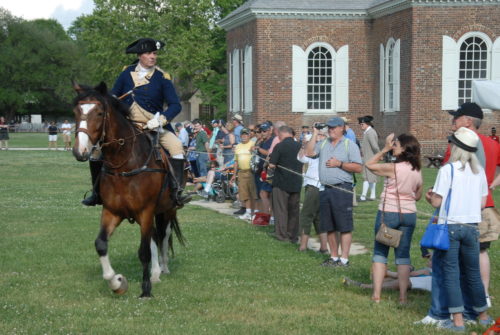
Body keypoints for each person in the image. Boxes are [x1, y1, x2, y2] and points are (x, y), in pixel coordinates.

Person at [82, 38, 190, 207]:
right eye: (148, 53)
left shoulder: (163, 77)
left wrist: (161, 119)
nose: (153, 56)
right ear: (140, 55)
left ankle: (176, 193)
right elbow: (113, 96)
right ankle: (97, 193)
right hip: (128, 125)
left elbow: (175, 105)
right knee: (96, 151)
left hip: (153, 126)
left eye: (154, 53)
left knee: (176, 146)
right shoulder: (126, 73)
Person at [424, 127, 491, 331]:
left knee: (451, 273)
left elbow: (437, 202)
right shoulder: (479, 172)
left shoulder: (448, 170)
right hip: (471, 226)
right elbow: (481, 203)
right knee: (472, 273)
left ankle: (458, 321)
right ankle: (483, 315)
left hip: (451, 226)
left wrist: (429, 197)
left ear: (456, 147)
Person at [442, 102, 500, 309]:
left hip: (461, 209)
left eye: (456, 118)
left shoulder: (457, 145)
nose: (453, 122)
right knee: (481, 251)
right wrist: (493, 182)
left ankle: (462, 296)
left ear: (467, 122)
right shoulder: (493, 143)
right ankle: (483, 295)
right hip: (486, 205)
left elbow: (448, 174)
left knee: (457, 254)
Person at [365, 133, 423, 304]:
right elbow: (418, 195)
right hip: (409, 214)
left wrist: (384, 149)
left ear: (404, 148)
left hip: (389, 213)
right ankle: (403, 297)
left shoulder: (393, 167)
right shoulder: (417, 169)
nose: (393, 146)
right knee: (403, 256)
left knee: (380, 253)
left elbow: (369, 164)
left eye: (396, 144)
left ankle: (376, 295)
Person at [305, 117, 362, 267]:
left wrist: (340, 164)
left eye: (334, 127)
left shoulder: (350, 145)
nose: (331, 130)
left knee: (344, 225)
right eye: (329, 127)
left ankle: (344, 259)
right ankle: (334, 257)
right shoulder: (323, 143)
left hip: (342, 188)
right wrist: (315, 133)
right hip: (325, 189)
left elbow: (358, 168)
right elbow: (309, 152)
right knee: (328, 225)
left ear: (342, 128)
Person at [268, 126, 303, 242]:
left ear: (281, 134)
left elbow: (272, 164)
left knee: (281, 210)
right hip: (296, 182)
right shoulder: (299, 146)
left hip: (281, 182)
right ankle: (293, 235)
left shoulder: (280, 146)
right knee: (294, 211)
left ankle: (282, 235)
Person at [297, 129, 328, 252]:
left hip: (316, 186)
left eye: (321, 135)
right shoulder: (313, 149)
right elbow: (301, 158)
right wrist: (305, 144)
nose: (318, 137)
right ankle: (324, 247)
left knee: (306, 215)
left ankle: (303, 246)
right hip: (311, 185)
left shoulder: (326, 148)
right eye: (317, 135)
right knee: (318, 217)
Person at [343, 257, 432, 292]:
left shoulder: (428, 271)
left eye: (431, 260)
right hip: (421, 279)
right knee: (397, 279)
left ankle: (363, 286)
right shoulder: (428, 270)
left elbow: (409, 275)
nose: (428, 261)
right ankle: (376, 279)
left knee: (403, 281)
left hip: (424, 281)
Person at [232, 128, 258, 220]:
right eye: (242, 134)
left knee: (253, 193)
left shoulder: (253, 144)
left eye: (246, 134)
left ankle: (255, 213)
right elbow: (236, 161)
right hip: (241, 172)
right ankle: (247, 212)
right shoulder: (238, 146)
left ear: (249, 135)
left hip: (251, 172)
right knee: (244, 193)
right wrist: (234, 174)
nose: (244, 136)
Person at [253, 122, 274, 214]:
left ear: (270, 131)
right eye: (261, 131)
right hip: (259, 171)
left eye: (265, 131)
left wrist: (258, 148)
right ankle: (262, 213)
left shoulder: (272, 141)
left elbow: (269, 153)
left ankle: (269, 215)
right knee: (260, 193)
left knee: (266, 194)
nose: (262, 133)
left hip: (269, 171)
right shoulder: (262, 141)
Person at [358, 115, 380, 201]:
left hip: (370, 157)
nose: (361, 126)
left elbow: (374, 146)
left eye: (362, 124)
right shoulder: (368, 132)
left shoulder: (370, 132)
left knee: (368, 177)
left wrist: (379, 154)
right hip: (368, 157)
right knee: (369, 177)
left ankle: (363, 196)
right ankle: (372, 195)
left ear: (367, 124)